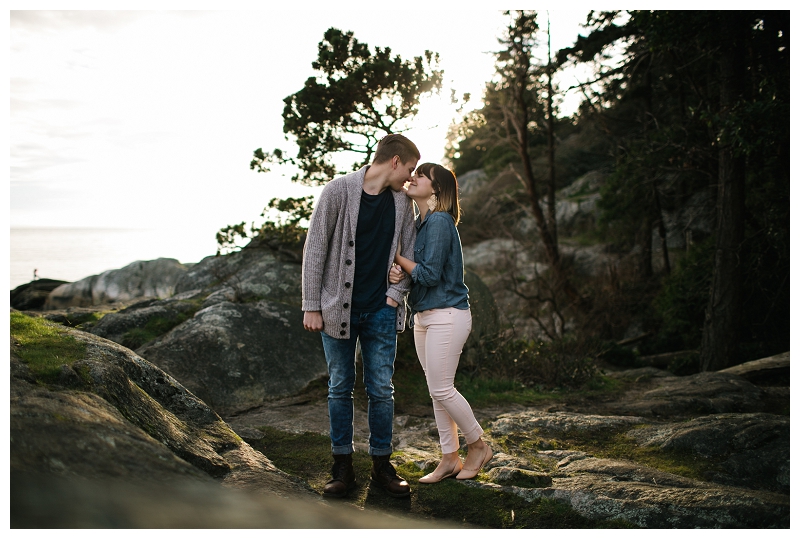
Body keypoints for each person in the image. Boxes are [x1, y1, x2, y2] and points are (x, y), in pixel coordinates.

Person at [301, 134, 419, 498]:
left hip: (381, 309)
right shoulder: (338, 190)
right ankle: (342, 466)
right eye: (410, 169)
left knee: (382, 389)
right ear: (395, 161)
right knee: (340, 387)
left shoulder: (403, 203)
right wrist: (312, 305)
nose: (411, 178)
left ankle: (382, 465)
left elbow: (409, 252)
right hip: (338, 308)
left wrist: (394, 296)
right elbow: (316, 247)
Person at [389, 163, 493, 483]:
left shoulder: (438, 222)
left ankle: (478, 446)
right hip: (424, 316)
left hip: (448, 314)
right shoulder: (420, 223)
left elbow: (429, 274)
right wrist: (400, 270)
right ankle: (450, 458)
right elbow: (416, 271)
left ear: (435, 189)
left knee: (441, 388)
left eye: (421, 175)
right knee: (437, 391)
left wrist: (398, 259)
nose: (413, 177)